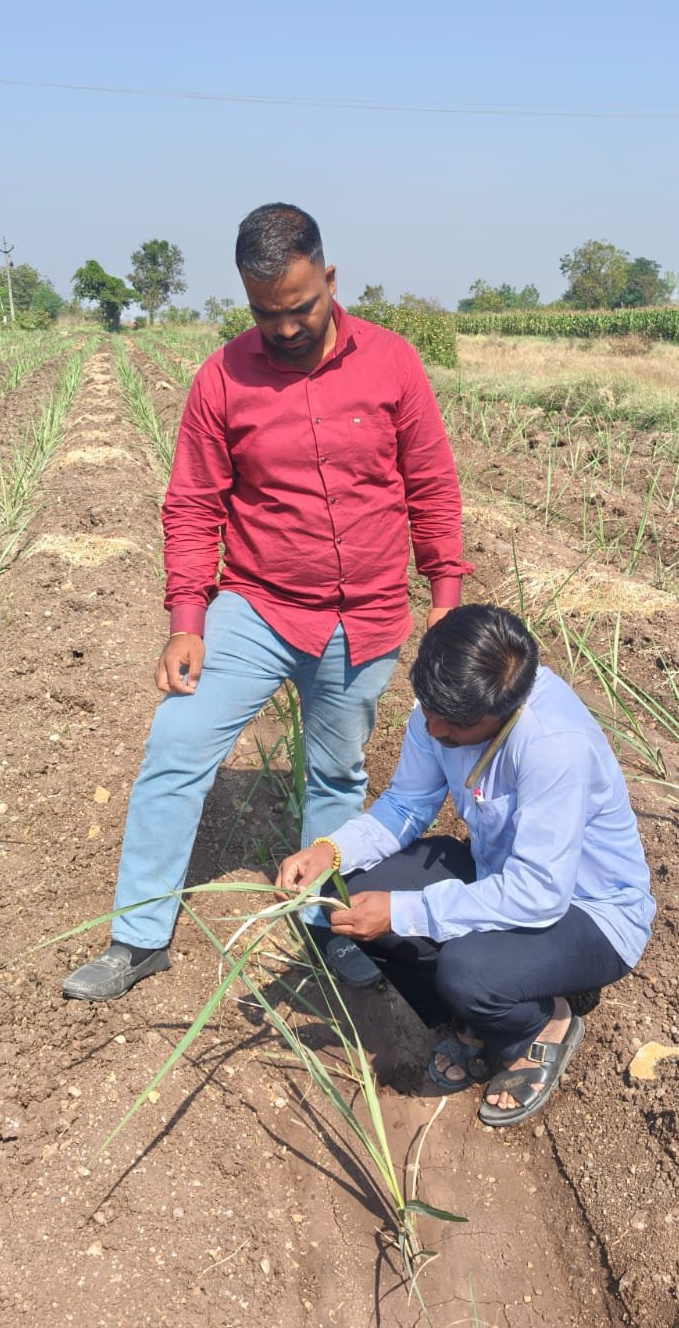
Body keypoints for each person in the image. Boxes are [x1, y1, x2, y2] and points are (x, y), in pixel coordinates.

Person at [62, 203, 469, 1002]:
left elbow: (431, 485)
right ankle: (139, 936)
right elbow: (191, 506)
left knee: (336, 773)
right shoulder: (222, 377)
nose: (283, 329)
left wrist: (445, 598)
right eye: (264, 313)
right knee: (175, 746)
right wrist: (187, 620)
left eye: (300, 308)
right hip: (257, 605)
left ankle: (328, 925)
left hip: (366, 615)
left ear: (330, 280)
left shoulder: (393, 365)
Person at [278, 604, 654, 1128]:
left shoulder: (553, 747)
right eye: (428, 709)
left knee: (468, 971)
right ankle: (473, 1020)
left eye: (453, 724)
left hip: (587, 912)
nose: (432, 728)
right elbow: (406, 805)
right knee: (353, 891)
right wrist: (330, 851)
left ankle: (538, 1026)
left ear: (504, 709)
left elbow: (539, 892)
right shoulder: (446, 705)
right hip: (498, 875)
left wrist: (404, 911)